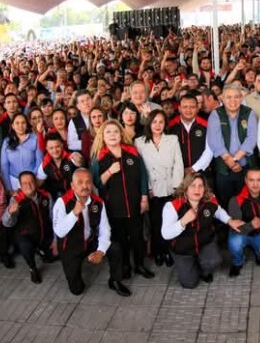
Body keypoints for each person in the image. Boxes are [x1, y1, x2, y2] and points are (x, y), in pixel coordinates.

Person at [90, 119, 153, 279]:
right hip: (113, 208)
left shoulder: (131, 152)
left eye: (115, 131)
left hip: (134, 204)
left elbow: (143, 176)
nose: (112, 135)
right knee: (120, 239)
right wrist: (109, 172)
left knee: (138, 238)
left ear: (121, 134)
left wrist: (144, 197)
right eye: (108, 132)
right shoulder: (99, 158)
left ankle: (139, 265)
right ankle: (124, 266)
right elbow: (96, 184)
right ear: (102, 136)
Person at [53, 168, 131, 296]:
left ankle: (115, 280)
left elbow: (105, 229)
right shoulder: (61, 203)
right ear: (72, 186)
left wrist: (101, 251)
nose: (85, 186)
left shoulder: (98, 202)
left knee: (115, 247)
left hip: (90, 241)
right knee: (76, 290)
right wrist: (74, 213)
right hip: (71, 246)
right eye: (80, 182)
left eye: (88, 182)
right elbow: (59, 232)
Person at [161, 173, 244, 288]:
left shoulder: (209, 200)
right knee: (190, 284)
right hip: (183, 249)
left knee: (214, 261)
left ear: (205, 188)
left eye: (201, 186)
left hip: (204, 242)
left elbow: (218, 211)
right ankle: (189, 264)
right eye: (193, 185)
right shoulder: (172, 206)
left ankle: (204, 269)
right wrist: (183, 221)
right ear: (186, 188)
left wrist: (229, 221)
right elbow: (165, 234)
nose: (197, 189)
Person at [135, 109, 184, 267]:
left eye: (161, 122)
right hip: (152, 189)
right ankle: (158, 252)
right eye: (154, 121)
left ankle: (169, 251)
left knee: (169, 221)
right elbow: (141, 169)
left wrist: (176, 186)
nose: (157, 125)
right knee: (156, 223)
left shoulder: (172, 139)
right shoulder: (140, 142)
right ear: (149, 123)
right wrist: (147, 188)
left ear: (165, 124)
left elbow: (178, 164)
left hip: (170, 187)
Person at [208, 85, 258, 210]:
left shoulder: (249, 113)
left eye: (236, 97)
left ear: (241, 98)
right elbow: (215, 140)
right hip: (223, 169)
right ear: (222, 99)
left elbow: (252, 138)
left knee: (246, 202)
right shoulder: (216, 114)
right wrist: (228, 160)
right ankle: (228, 226)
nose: (233, 101)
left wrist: (235, 159)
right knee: (226, 202)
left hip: (245, 167)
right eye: (228, 97)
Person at [1, 171, 54, 284]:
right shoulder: (16, 199)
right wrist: (11, 213)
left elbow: (54, 219)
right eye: (24, 183)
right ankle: (32, 268)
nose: (28, 185)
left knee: (51, 258)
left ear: (35, 182)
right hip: (26, 235)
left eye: (31, 182)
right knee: (25, 246)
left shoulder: (45, 196)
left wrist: (55, 240)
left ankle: (41, 250)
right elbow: (6, 223)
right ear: (20, 185)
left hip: (43, 232)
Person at [227, 168, 260, 276]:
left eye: (259, 180)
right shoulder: (235, 200)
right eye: (251, 180)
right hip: (242, 233)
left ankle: (257, 251)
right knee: (234, 243)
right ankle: (237, 262)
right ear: (245, 180)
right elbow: (235, 228)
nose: (255, 184)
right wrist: (251, 225)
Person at [169, 93, 213, 175]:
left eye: (192, 107)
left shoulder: (206, 125)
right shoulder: (170, 127)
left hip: (200, 172)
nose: (188, 110)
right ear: (179, 109)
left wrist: (194, 168)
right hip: (176, 173)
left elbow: (209, 150)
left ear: (197, 108)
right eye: (185, 107)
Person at [0, 113, 43, 192]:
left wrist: (32, 177)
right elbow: (4, 165)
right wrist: (9, 188)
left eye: (23, 123)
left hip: (32, 180)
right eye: (17, 123)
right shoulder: (7, 141)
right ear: (12, 126)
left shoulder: (35, 138)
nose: (20, 126)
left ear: (27, 125)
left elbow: (39, 160)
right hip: (14, 181)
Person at [37, 133, 82, 200]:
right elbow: (38, 183)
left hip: (75, 195)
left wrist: (80, 160)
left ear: (62, 145)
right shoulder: (44, 164)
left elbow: (80, 162)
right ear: (46, 149)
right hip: (55, 198)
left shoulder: (71, 157)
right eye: (51, 148)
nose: (55, 150)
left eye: (57, 146)